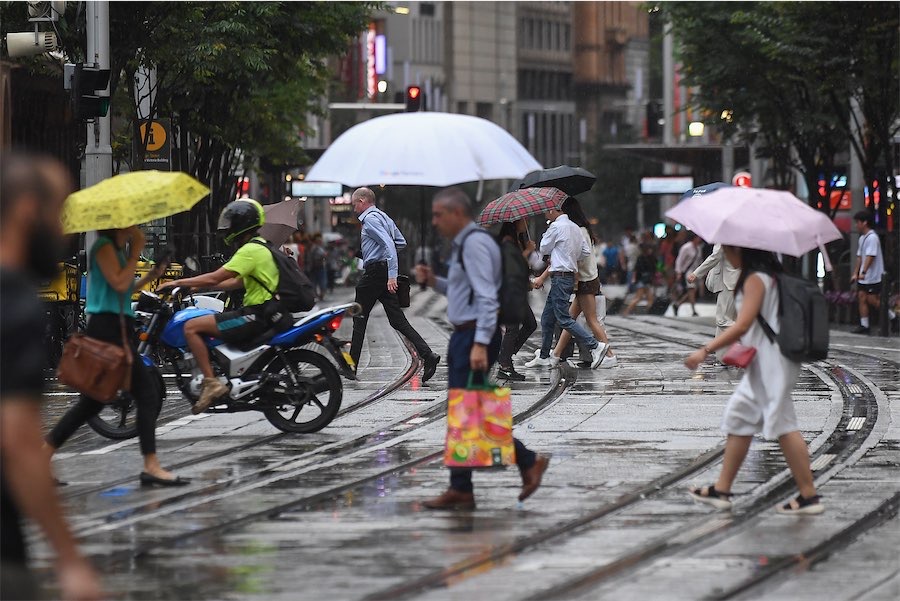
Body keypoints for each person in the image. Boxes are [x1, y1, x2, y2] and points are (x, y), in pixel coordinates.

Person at [1, 152, 103, 600]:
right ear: (28, 210)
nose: (63, 231)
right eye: (58, 211)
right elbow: (19, 444)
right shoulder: (15, 304)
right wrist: (69, 558)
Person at [416, 187, 549, 509]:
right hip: (467, 333)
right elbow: (466, 292)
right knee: (466, 411)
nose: (435, 221)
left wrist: (478, 344)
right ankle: (462, 486)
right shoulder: (467, 244)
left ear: (456, 214)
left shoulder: (474, 244)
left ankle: (524, 462)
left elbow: (488, 297)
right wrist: (434, 281)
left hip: (473, 335)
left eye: (439, 214)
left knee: (469, 410)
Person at [45, 223, 190, 486]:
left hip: (117, 325)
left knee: (92, 403)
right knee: (146, 393)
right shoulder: (103, 248)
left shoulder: (114, 250)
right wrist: (136, 251)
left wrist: (153, 273)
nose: (134, 229)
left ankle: (43, 457)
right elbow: (120, 284)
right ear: (118, 227)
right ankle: (151, 465)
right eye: (130, 226)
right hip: (108, 328)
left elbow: (125, 286)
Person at [684, 246, 823, 515]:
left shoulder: (756, 279)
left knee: (783, 424)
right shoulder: (764, 275)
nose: (725, 254)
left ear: (740, 250)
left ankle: (809, 496)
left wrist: (706, 350)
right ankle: (722, 489)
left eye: (728, 249)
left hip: (773, 363)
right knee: (739, 417)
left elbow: (742, 324)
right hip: (764, 362)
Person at [160, 199, 291, 413]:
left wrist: (178, 282)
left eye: (231, 223)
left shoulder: (250, 250)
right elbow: (235, 282)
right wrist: (194, 288)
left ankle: (211, 383)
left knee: (191, 327)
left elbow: (215, 277)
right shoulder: (260, 247)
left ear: (241, 224)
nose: (227, 228)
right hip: (265, 312)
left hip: (256, 315)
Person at [349, 187, 440, 381]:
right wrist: (382, 259)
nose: (353, 208)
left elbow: (390, 245)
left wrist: (390, 273)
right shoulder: (385, 217)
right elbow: (400, 242)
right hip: (380, 272)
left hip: (375, 274)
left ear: (363, 201)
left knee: (359, 315)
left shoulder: (370, 219)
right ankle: (428, 355)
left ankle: (352, 365)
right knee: (397, 320)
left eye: (354, 203)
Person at [524, 201, 609, 369]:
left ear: (554, 209)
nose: (545, 214)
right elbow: (585, 251)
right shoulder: (574, 227)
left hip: (560, 277)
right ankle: (543, 356)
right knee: (547, 319)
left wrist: (558, 251)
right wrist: (567, 254)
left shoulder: (555, 227)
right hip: (567, 276)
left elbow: (544, 248)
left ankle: (595, 346)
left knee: (564, 318)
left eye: (546, 210)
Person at [550, 197, 617, 367]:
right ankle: (556, 354)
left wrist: (575, 279)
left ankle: (609, 355)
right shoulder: (581, 229)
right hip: (587, 279)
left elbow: (579, 256)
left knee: (591, 320)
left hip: (585, 280)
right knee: (569, 319)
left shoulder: (578, 230)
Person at [496, 220, 541, 381]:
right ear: (513, 223)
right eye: (523, 220)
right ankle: (505, 365)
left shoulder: (517, 240)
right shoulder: (506, 242)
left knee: (530, 324)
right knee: (512, 328)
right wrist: (528, 250)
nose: (527, 222)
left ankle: (505, 356)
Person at [689, 243, 741, 360]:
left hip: (729, 282)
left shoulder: (725, 235)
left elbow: (715, 256)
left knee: (723, 320)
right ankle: (722, 357)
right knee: (726, 320)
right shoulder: (740, 235)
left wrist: (696, 273)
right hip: (734, 281)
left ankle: (745, 336)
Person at [850, 210, 897, 334]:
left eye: (858, 222)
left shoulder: (872, 237)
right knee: (861, 297)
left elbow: (871, 256)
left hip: (874, 276)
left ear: (864, 223)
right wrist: (856, 273)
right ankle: (864, 325)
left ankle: (893, 316)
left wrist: (863, 272)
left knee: (872, 300)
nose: (856, 225)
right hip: (865, 276)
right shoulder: (862, 239)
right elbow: (860, 257)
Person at [621, 243, 658, 317]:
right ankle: (626, 312)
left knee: (649, 298)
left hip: (643, 280)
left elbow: (637, 270)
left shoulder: (643, 258)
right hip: (644, 281)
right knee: (639, 298)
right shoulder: (646, 258)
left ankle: (648, 312)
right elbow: (650, 269)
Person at [673, 233, 703, 316]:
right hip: (687, 272)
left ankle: (677, 304)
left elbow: (699, 261)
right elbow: (679, 260)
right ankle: (693, 309)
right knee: (691, 290)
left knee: (691, 291)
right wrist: (678, 272)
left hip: (694, 272)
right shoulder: (686, 247)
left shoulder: (698, 248)